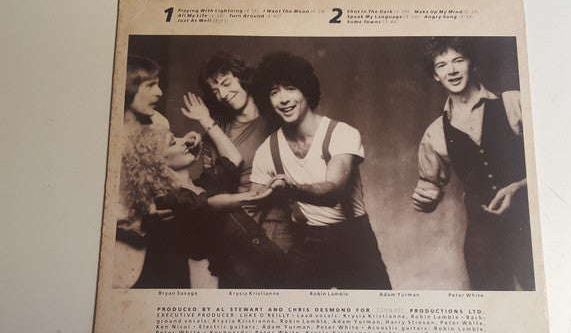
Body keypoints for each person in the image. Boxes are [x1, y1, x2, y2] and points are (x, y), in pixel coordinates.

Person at [250, 51, 391, 290]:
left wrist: (292, 189)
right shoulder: (267, 150)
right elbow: (252, 207)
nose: (283, 99)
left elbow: (333, 191)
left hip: (354, 241)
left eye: (290, 88)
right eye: (274, 92)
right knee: (294, 311)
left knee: (378, 310)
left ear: (306, 89)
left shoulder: (341, 133)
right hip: (306, 242)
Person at [122, 92, 284, 289]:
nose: (185, 141)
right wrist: (253, 196)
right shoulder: (169, 201)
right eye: (173, 142)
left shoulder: (204, 184)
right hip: (241, 278)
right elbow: (207, 204)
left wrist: (205, 121)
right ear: (158, 163)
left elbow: (233, 160)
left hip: (267, 261)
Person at [412, 37, 534, 291]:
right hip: (482, 241)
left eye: (458, 60)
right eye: (442, 65)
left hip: (529, 227)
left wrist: (519, 186)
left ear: (472, 64)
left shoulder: (514, 102)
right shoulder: (435, 133)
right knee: (491, 310)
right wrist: (424, 200)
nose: (452, 70)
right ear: (435, 75)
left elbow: (556, 162)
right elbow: (429, 188)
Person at [198, 52, 293, 252]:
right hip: (234, 227)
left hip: (275, 225)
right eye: (215, 91)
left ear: (243, 77)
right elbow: (212, 192)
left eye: (226, 83)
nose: (223, 94)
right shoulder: (216, 133)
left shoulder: (279, 120)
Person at [114, 56, 171, 288]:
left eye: (158, 84)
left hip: (153, 243)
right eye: (150, 85)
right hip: (114, 249)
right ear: (128, 86)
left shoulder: (160, 124)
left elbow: (162, 173)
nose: (159, 93)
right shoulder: (102, 129)